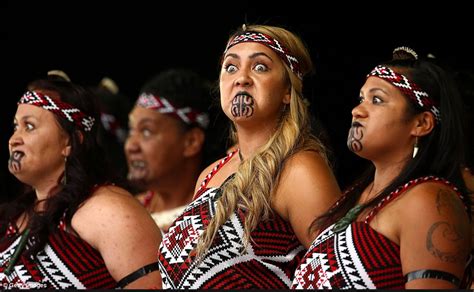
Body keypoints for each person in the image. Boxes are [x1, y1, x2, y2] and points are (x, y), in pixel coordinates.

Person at [157, 24, 341, 289]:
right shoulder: (209, 174)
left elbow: (337, 275)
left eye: (260, 67)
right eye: (230, 67)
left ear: (287, 91)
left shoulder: (298, 168)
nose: (240, 78)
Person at [292, 47, 472, 289]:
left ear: (421, 123)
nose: (357, 110)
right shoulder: (356, 196)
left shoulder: (427, 199)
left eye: (377, 100)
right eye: (361, 99)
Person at [0, 73, 162, 289]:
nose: (13, 140)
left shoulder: (110, 211)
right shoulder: (16, 218)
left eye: (29, 126)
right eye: (15, 127)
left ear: (71, 141)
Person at [125, 68, 220, 232]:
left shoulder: (219, 216)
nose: (130, 146)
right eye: (131, 131)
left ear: (191, 142)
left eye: (146, 131)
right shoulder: (129, 212)